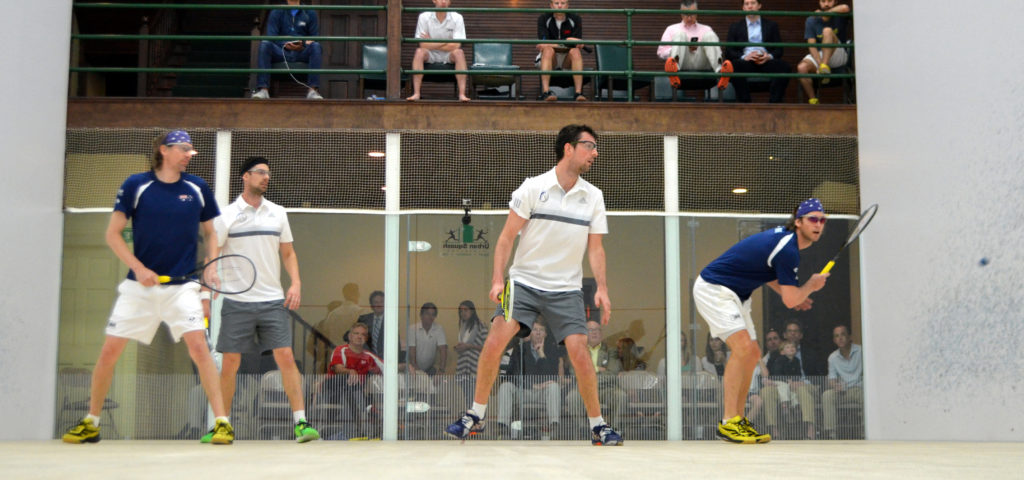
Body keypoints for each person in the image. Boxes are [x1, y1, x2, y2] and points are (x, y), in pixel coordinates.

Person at [446, 124, 623, 446]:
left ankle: (598, 426)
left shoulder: (593, 197)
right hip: (524, 282)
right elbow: (505, 238)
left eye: (596, 147)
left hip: (566, 288)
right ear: (568, 148)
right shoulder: (532, 188)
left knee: (579, 352)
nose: (595, 153)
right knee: (497, 336)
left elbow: (595, 248)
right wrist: (498, 278)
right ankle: (475, 414)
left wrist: (602, 287)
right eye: (589, 146)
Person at [63, 130, 234, 445]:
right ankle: (92, 421)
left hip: (183, 288)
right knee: (109, 352)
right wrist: (139, 269)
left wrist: (210, 271)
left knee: (200, 349)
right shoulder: (135, 185)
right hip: (138, 288)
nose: (188, 154)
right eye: (183, 149)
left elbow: (212, 233)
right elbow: (113, 234)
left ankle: (221, 423)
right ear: (164, 150)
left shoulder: (197, 187)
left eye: (190, 150)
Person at [692, 197, 830, 443]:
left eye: (822, 220)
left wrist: (796, 295)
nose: (818, 224)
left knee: (753, 353)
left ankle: (738, 419)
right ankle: (728, 422)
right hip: (715, 288)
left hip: (738, 294)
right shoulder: (789, 249)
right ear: (798, 222)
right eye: (812, 219)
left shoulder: (784, 241)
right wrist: (810, 285)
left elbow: (767, 275)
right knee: (743, 348)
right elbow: (790, 300)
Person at [203, 156, 319, 443]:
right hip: (237, 301)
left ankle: (301, 423)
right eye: (260, 173)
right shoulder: (226, 215)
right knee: (229, 361)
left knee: (286, 357)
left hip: (272, 300)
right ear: (245, 176)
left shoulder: (278, 213)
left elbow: (288, 253)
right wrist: (210, 280)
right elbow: (213, 251)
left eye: (268, 173)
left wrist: (296, 283)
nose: (266, 177)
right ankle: (222, 424)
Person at [494, 321, 563, 438]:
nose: (538, 333)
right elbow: (513, 374)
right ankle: (503, 427)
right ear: (530, 333)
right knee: (505, 386)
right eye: (535, 330)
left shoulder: (552, 350)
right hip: (524, 390)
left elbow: (552, 375)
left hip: (543, 392)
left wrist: (541, 354)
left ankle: (553, 426)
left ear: (546, 334)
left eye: (541, 330)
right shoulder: (520, 349)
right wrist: (531, 385)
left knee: (554, 387)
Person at [252, 0, 324, 100]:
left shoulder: (310, 12)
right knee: (265, 44)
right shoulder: (277, 11)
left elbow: (314, 38)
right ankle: (263, 90)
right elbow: (271, 36)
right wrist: (285, 44)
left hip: (301, 52)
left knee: (316, 46)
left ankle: (312, 91)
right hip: (281, 51)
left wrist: (302, 44)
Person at [322, 322, 384, 438]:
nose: (359, 336)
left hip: (354, 394)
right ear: (350, 336)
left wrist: (405, 365)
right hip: (333, 390)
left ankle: (359, 429)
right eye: (356, 333)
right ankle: (367, 408)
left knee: (355, 387)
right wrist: (349, 371)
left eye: (363, 334)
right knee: (348, 378)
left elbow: (388, 369)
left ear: (366, 338)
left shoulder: (369, 356)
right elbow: (338, 368)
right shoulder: (341, 350)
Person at [657, 0, 733, 92]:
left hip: (702, 62)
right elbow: (661, 52)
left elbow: (717, 51)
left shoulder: (706, 29)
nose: (689, 18)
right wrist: (683, 48)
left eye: (692, 14)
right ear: (681, 14)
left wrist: (700, 47)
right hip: (681, 62)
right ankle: (674, 70)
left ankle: (721, 72)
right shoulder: (671, 28)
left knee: (709, 35)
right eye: (686, 14)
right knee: (680, 35)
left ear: (697, 13)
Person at [724, 0, 792, 103]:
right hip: (746, 61)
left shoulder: (771, 25)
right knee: (734, 67)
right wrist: (744, 57)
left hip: (765, 60)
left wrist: (768, 56)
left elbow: (779, 50)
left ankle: (774, 104)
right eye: (747, 4)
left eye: (753, 3)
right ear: (743, 7)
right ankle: (745, 104)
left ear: (759, 5)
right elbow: (729, 51)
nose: (750, 6)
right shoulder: (735, 26)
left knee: (785, 67)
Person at [566, 320, 625, 434]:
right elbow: (575, 373)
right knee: (572, 397)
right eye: (590, 330)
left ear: (601, 333)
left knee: (620, 396)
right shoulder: (578, 350)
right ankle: (583, 430)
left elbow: (612, 374)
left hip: (607, 389)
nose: (594, 333)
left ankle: (614, 430)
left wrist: (588, 373)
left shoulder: (611, 351)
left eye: (597, 330)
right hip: (585, 389)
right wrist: (598, 369)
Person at [406, 0, 470, 102]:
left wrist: (431, 42)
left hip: (449, 55)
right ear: (434, 0)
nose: (443, 1)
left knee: (459, 53)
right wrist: (447, 42)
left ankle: (462, 94)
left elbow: (457, 45)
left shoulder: (457, 17)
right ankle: (416, 93)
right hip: (430, 54)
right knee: (419, 52)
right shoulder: (424, 17)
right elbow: (422, 44)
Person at [797, 0, 850, 104]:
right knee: (801, 68)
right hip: (821, 55)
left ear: (835, 1)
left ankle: (824, 67)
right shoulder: (811, 19)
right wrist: (819, 62)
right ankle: (813, 99)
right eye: (823, 1)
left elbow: (845, 7)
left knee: (827, 31)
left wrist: (827, 12)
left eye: (829, 1)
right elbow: (811, 44)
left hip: (838, 54)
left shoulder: (839, 14)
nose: (826, 4)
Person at [536, 0, 587, 101]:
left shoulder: (576, 19)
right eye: (556, 3)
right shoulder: (543, 18)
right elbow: (543, 43)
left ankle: (578, 93)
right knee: (547, 50)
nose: (559, 6)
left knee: (576, 52)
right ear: (551, 5)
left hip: (567, 58)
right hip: (550, 57)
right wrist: (567, 41)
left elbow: (577, 44)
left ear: (567, 5)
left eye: (563, 3)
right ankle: (546, 92)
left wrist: (557, 43)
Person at [309, 282, 364, 372]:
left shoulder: (333, 314)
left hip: (335, 358)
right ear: (357, 294)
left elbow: (325, 335)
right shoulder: (360, 312)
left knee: (335, 385)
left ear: (344, 294)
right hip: (353, 358)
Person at [821, 324, 862, 439]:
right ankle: (831, 435)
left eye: (843, 335)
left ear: (849, 337)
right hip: (842, 391)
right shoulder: (833, 357)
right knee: (827, 395)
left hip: (858, 389)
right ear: (834, 340)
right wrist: (835, 386)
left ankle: (866, 431)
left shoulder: (861, 351)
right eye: (837, 336)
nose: (840, 338)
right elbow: (832, 378)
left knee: (867, 396)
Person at [454, 300, 488, 407]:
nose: (463, 313)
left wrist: (469, 346)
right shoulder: (463, 326)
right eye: (461, 311)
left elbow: (487, 349)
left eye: (466, 310)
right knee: (467, 398)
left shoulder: (481, 325)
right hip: (463, 365)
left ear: (472, 311)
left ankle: (476, 420)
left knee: (475, 399)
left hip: (475, 366)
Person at [408, 302, 448, 375]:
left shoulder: (439, 329)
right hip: (413, 368)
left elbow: (443, 350)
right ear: (421, 315)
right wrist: (416, 369)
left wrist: (441, 370)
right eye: (428, 314)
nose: (430, 317)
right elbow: (412, 351)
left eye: (433, 315)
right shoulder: (412, 329)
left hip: (430, 368)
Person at [356, 290, 385, 355]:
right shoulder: (363, 319)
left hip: (385, 359)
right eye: (376, 302)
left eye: (382, 302)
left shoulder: (390, 320)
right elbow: (352, 337)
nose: (379, 304)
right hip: (365, 357)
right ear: (371, 305)